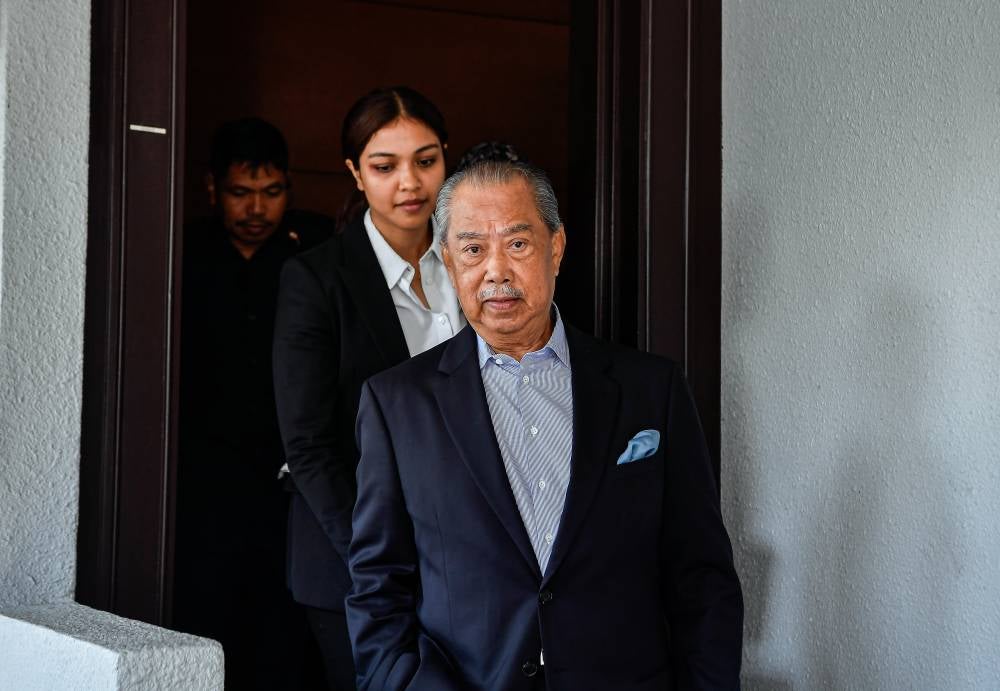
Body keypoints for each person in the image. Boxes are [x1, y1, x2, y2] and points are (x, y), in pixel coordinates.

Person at [347, 160, 745, 690]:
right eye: (473, 249)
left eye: (517, 244)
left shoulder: (651, 390)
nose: (496, 271)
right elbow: (377, 588)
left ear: (556, 247)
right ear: (448, 260)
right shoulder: (397, 404)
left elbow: (701, 574)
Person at [272, 86, 464, 691]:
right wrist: (378, 558)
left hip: (467, 553)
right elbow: (308, 447)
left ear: (446, 157)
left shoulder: (472, 260)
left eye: (426, 160)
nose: (410, 182)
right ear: (356, 173)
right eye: (385, 166)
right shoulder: (315, 279)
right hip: (356, 561)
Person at [173, 117, 334, 689]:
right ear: (212, 188)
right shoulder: (181, 250)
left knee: (283, 618)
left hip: (288, 469)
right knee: (207, 608)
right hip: (204, 470)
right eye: (241, 192)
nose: (257, 209)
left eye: (272, 191)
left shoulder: (314, 249)